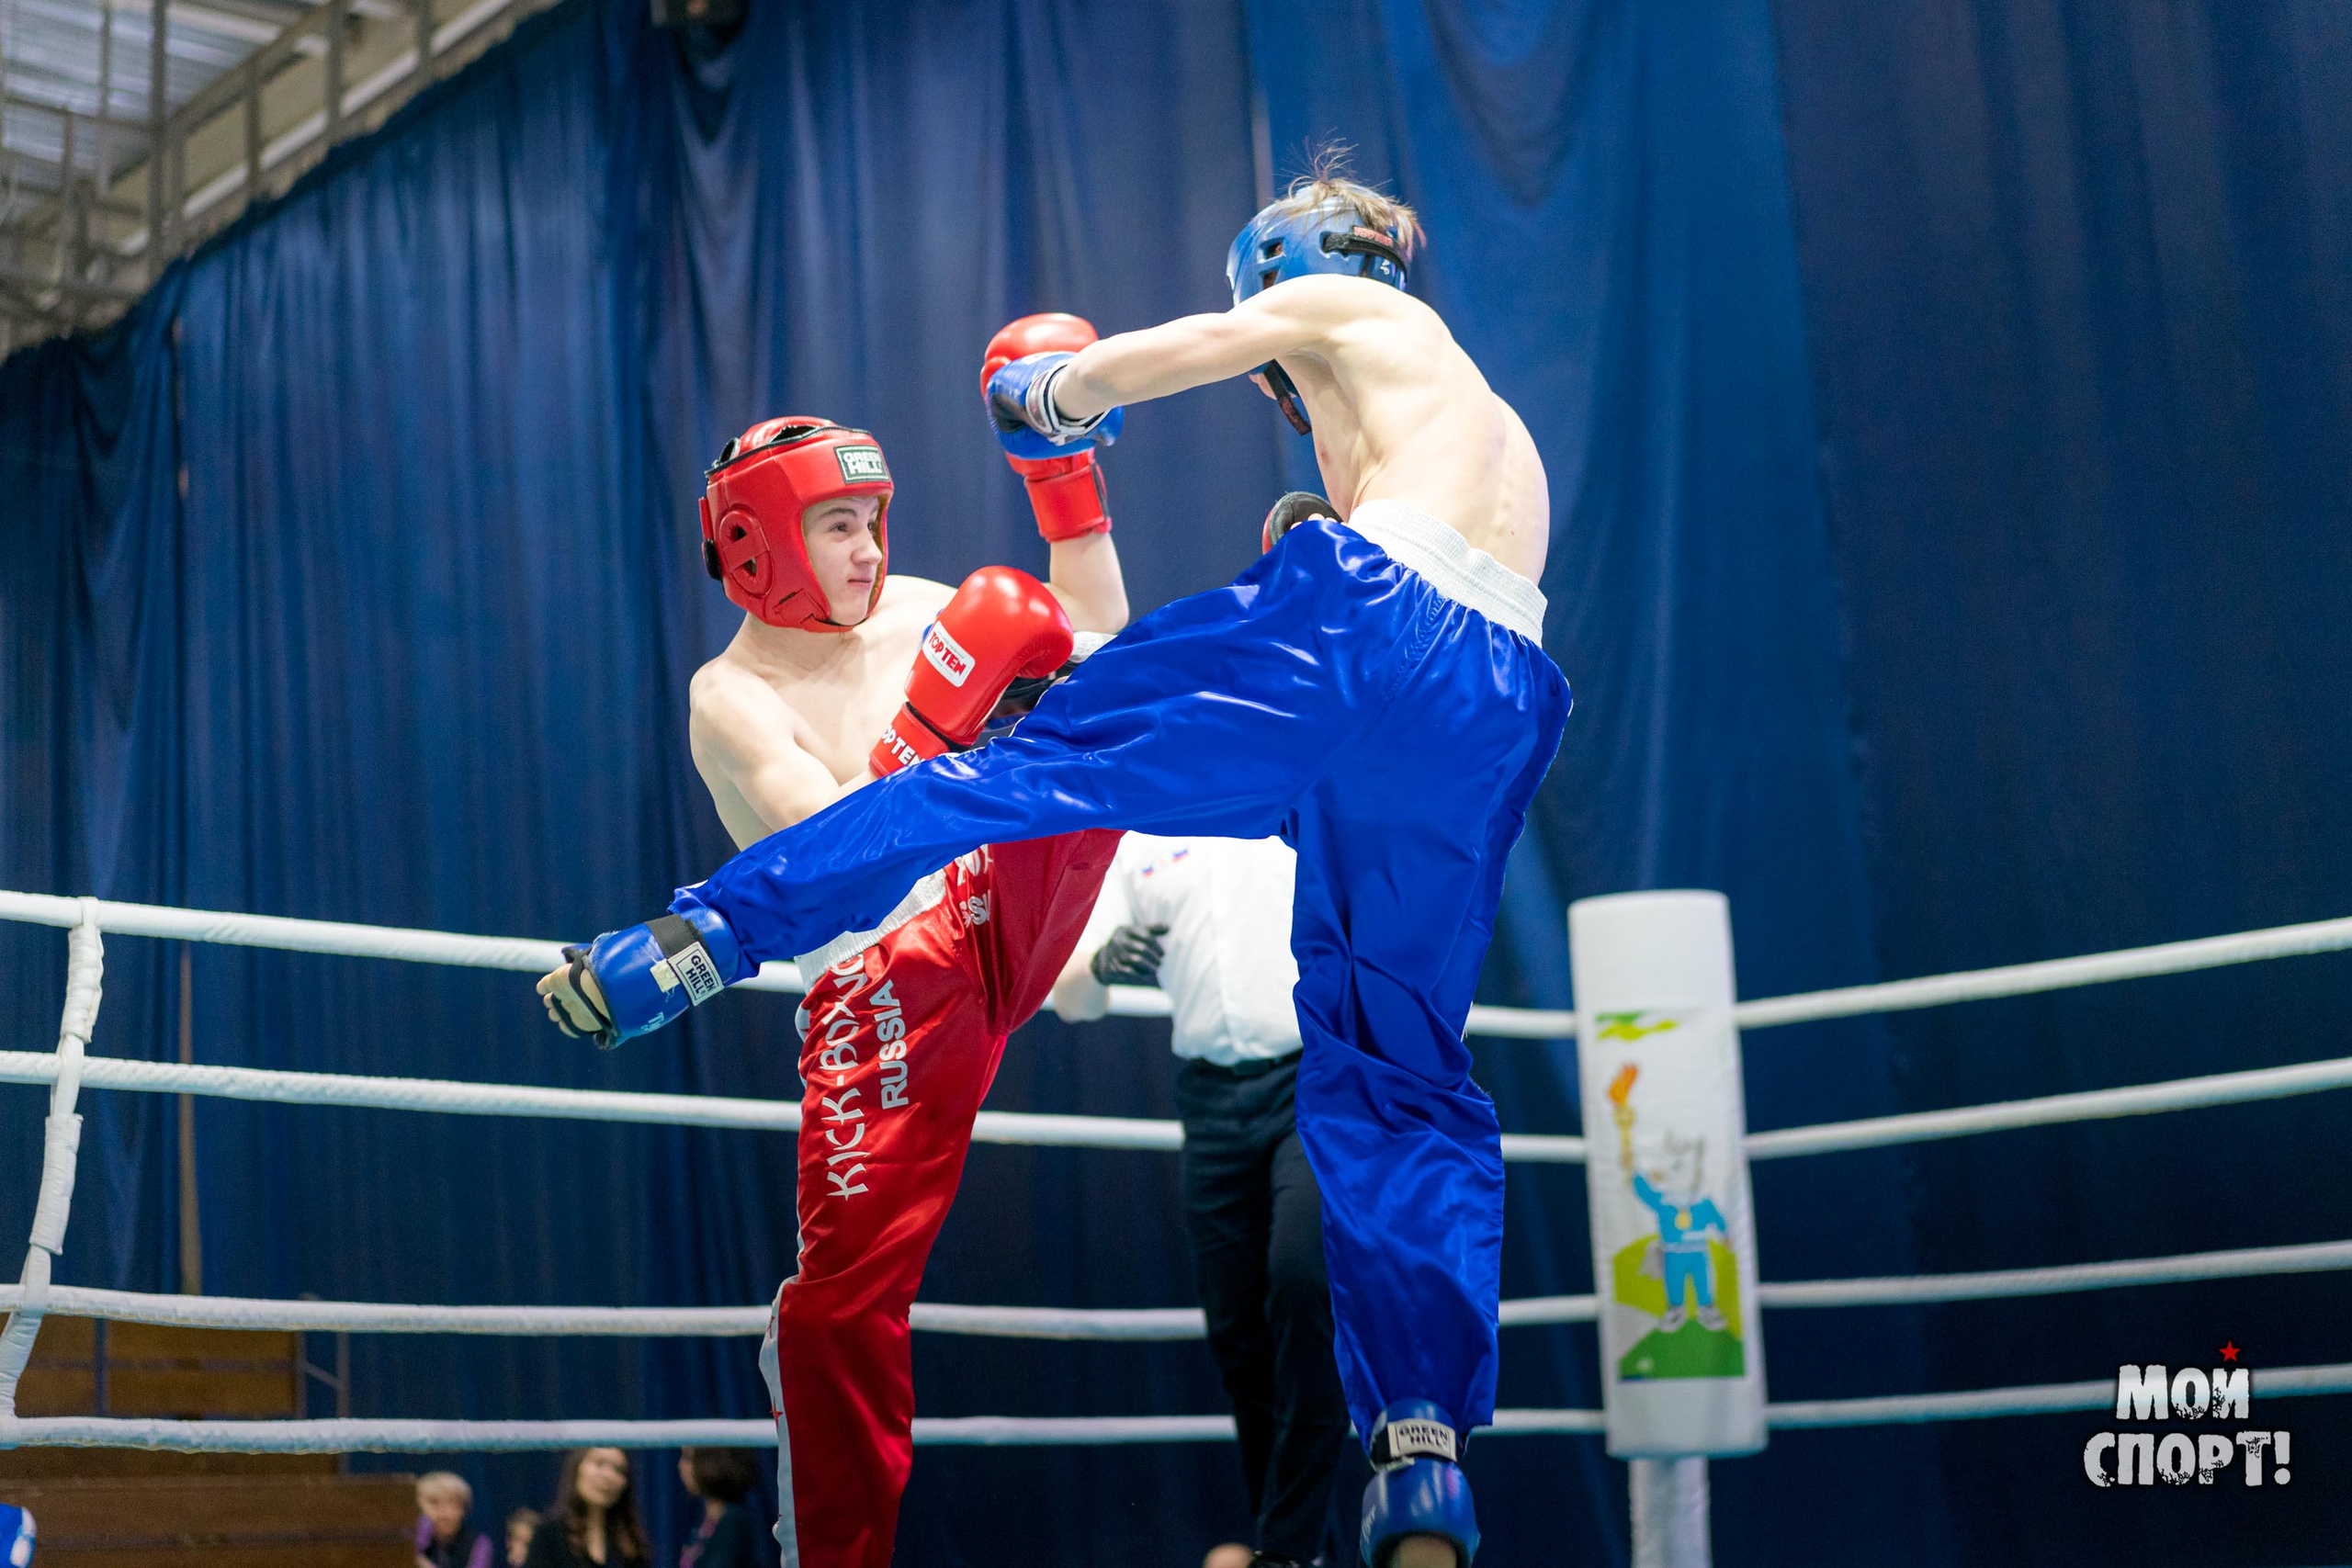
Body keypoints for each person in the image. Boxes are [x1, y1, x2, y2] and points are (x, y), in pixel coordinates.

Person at [541, 164, 1567, 1568]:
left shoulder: (1332, 307)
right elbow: (1432, 570)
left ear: (1291, 266)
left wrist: (1062, 401)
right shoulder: (1494, 427)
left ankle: (696, 938)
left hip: (1358, 625)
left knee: (1020, 764)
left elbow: (1187, 365)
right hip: (1500, 693)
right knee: (1397, 1062)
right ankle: (1422, 1446)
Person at [540, 339, 1129, 1568]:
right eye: (840, 525)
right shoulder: (731, 693)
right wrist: (938, 716)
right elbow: (843, 852)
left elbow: (1100, 641)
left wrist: (1062, 488)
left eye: (874, 519)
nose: (870, 549)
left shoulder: (925, 606)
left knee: (1095, 691)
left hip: (1008, 895)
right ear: (758, 541)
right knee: (841, 1306)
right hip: (883, 972)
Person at [1050, 833, 1360, 1568]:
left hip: (1314, 1080)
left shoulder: (1293, 786)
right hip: (1211, 1098)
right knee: (1238, 1333)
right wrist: (1099, 960)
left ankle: (1285, 1551)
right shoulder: (1139, 828)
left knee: (1304, 1284)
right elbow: (1070, 993)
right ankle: (1309, 1552)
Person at [521, 1449, 649, 1568]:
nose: (608, 1476)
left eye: (619, 1470)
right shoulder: (549, 1535)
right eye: (599, 1463)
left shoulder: (631, 1544)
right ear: (577, 1467)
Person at [676, 1448, 764, 1568]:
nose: (680, 1466)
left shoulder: (734, 1520)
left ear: (712, 1461)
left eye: (688, 1458)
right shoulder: (708, 1519)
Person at [413, 1471, 493, 1568]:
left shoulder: (479, 1545)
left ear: (464, 1509)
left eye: (453, 1504)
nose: (444, 1514)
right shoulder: (412, 1541)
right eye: (434, 1503)